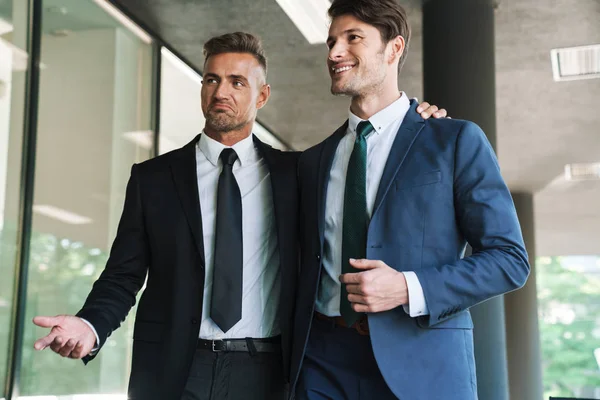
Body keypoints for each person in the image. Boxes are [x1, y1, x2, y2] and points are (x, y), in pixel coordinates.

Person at [32, 32, 445, 399]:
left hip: (265, 372)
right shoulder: (153, 179)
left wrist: (417, 118)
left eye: (236, 82)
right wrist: (90, 326)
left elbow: (364, 182)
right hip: (174, 371)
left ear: (261, 96)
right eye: (211, 79)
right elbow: (123, 276)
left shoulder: (297, 174)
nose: (220, 91)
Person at [290, 0, 531, 399]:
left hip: (422, 363)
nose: (333, 52)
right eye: (331, 41)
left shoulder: (453, 140)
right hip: (321, 362)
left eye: (353, 39)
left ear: (394, 48)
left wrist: (407, 287)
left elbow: (509, 260)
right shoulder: (314, 161)